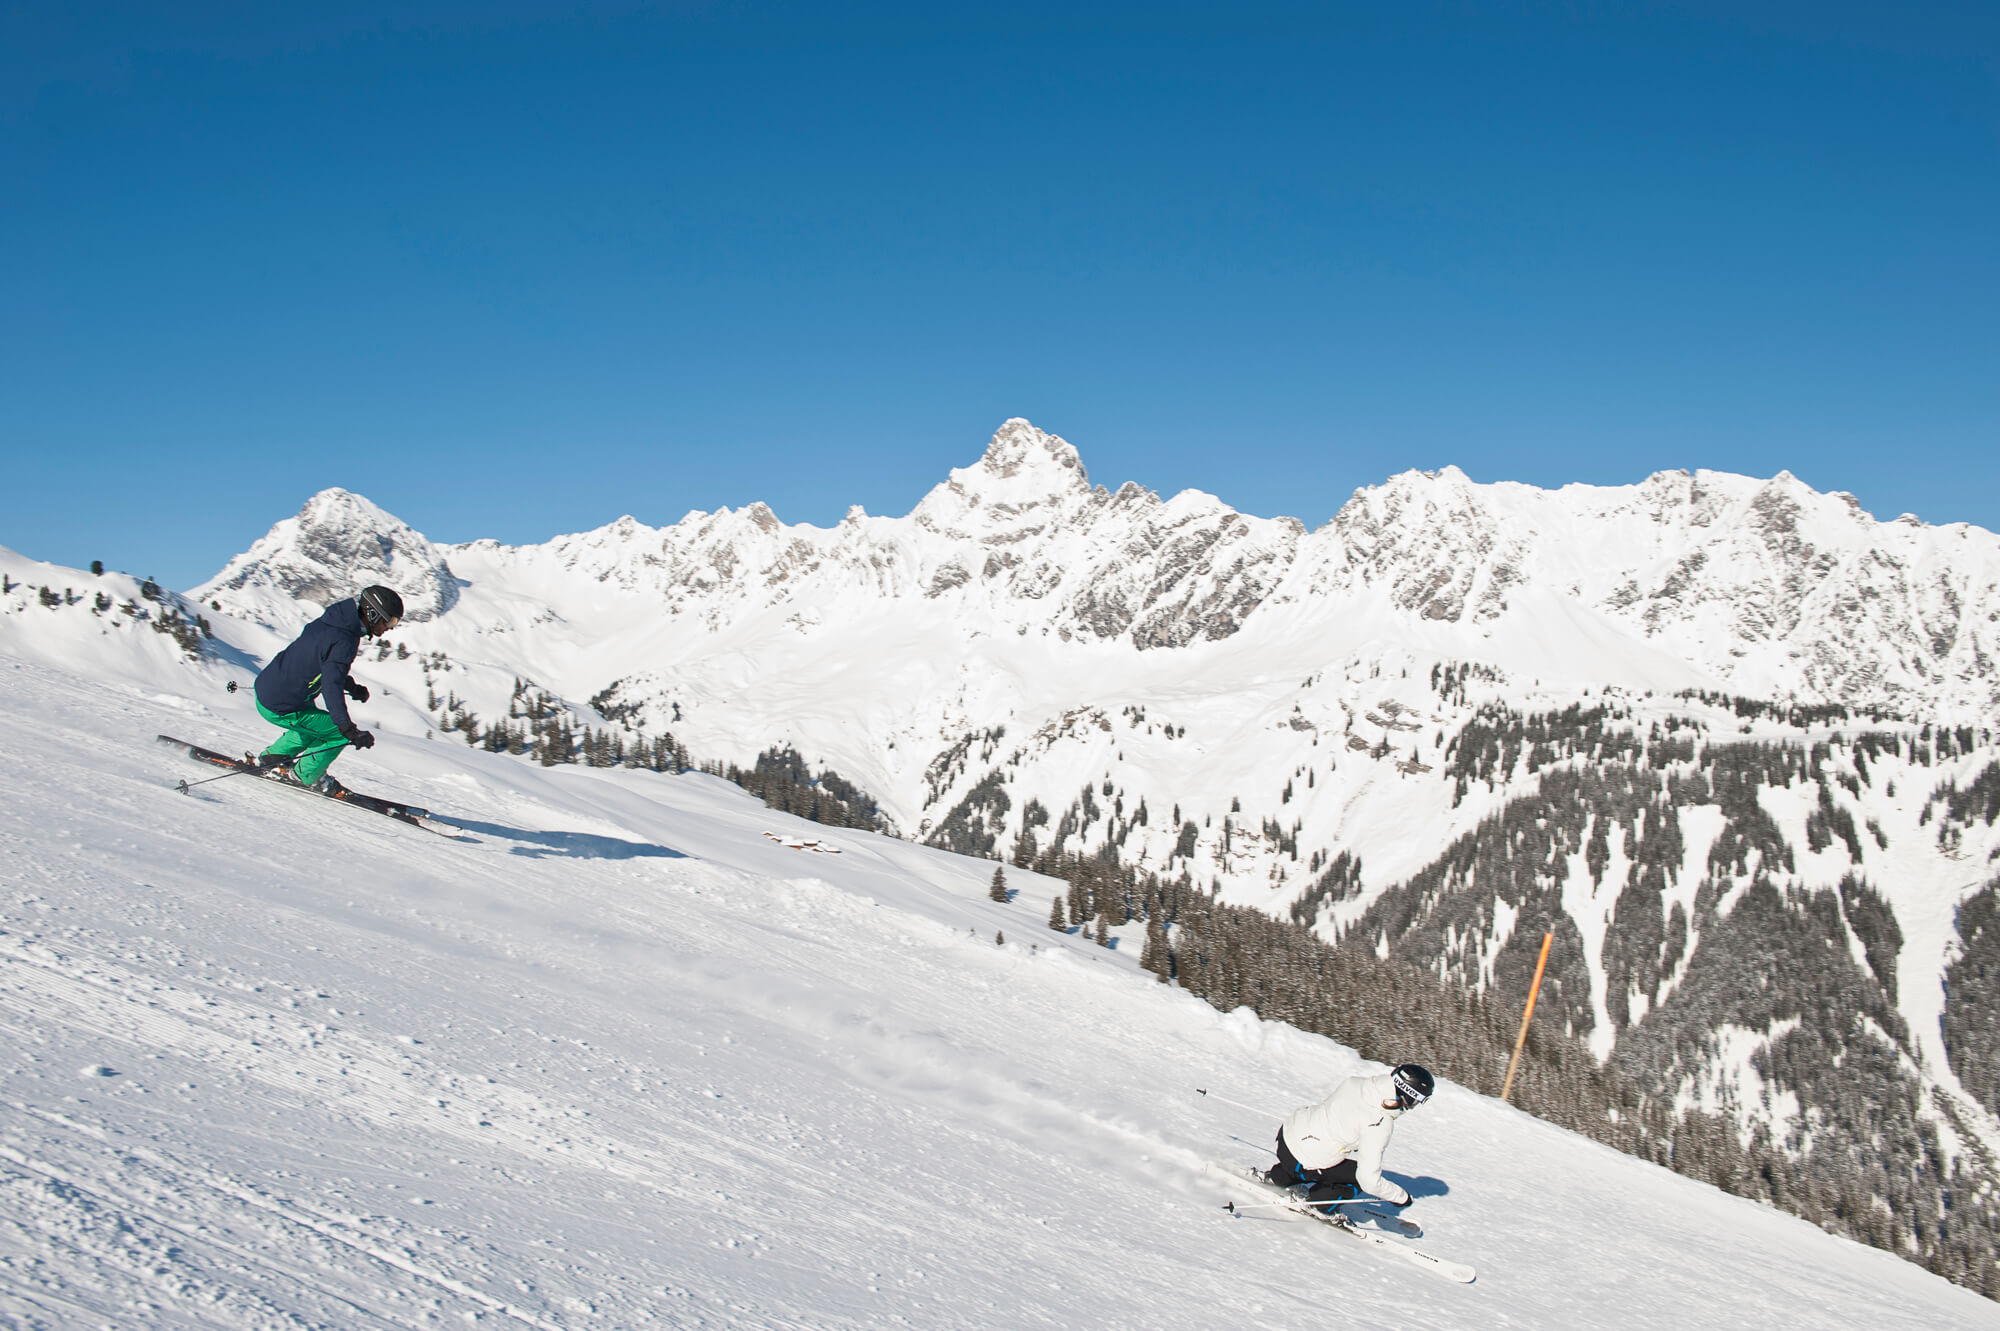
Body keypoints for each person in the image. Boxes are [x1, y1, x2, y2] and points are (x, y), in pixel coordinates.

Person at [252, 585, 403, 793]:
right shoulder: (345, 639)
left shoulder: (334, 622)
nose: (391, 627)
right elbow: (331, 684)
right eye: (390, 621)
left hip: (271, 691)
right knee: (336, 733)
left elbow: (326, 666)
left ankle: (274, 758)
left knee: (313, 725)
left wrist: (352, 687)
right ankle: (302, 776)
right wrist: (347, 728)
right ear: (373, 614)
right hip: (282, 704)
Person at [1264, 1063, 1434, 1212]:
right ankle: (1320, 1205)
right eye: (1418, 1101)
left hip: (1287, 1136)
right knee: (1358, 1179)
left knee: (1322, 1142)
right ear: (1408, 1095)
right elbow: (1369, 1181)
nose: (1415, 1106)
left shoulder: (1356, 1082)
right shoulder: (1380, 1122)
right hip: (1304, 1161)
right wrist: (1400, 1197)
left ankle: (1280, 1177)